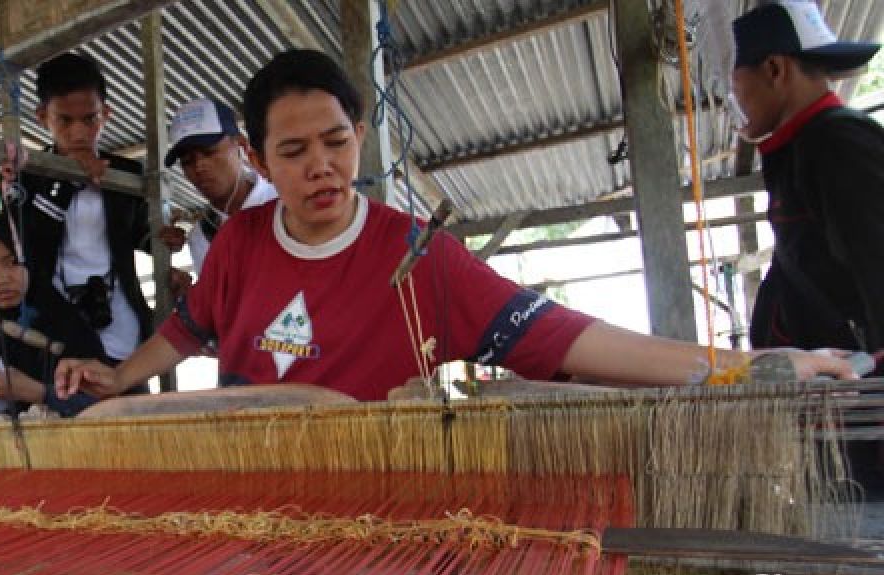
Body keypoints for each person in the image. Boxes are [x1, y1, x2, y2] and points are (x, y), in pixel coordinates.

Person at [56, 49, 860, 405]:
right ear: (261, 162)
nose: (321, 168)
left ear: (359, 138)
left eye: (336, 143)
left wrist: (746, 367)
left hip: (380, 540)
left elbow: (574, 338)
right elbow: (187, 329)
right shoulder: (240, 245)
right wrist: (117, 379)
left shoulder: (419, 258)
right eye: (294, 152)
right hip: (252, 527)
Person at [730, 1, 883, 360]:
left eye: (734, 81)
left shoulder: (840, 143)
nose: (732, 99)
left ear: (774, 69)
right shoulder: (800, 149)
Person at [6, 52, 154, 377]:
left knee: (131, 409)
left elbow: (142, 233)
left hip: (121, 320)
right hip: (54, 321)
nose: (78, 133)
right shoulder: (24, 177)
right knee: (70, 408)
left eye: (90, 119)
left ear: (106, 115)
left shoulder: (127, 174)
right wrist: (67, 179)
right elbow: (27, 247)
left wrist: (162, 239)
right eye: (65, 121)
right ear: (43, 116)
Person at [0, 213, 96, 417]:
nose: (0, 279)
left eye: (11, 263)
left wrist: (37, 392)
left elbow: (102, 404)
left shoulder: (65, 324)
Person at [158, 97, 277, 277]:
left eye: (209, 152)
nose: (199, 166)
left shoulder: (283, 200)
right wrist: (191, 297)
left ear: (241, 145)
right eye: (187, 161)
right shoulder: (201, 237)